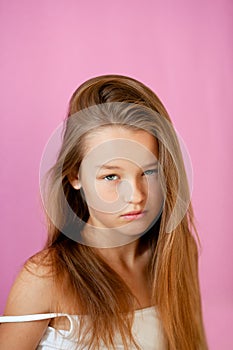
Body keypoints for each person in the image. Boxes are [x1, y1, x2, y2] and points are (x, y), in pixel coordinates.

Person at [0, 75, 208, 349]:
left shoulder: (175, 256)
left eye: (149, 171)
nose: (136, 196)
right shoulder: (45, 279)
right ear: (75, 176)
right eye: (111, 176)